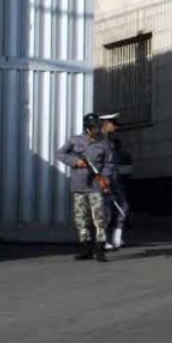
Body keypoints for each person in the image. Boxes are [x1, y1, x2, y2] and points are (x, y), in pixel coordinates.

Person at [57, 112, 111, 262]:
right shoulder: (75, 140)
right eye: (94, 127)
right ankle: (85, 248)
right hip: (79, 185)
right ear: (87, 128)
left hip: (95, 186)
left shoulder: (104, 143)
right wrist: (75, 161)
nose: (97, 130)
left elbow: (108, 164)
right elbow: (60, 154)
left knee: (99, 218)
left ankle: (100, 248)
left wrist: (105, 178)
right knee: (81, 218)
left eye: (98, 127)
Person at [98, 114, 131, 251]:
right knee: (105, 211)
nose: (115, 127)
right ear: (105, 123)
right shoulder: (97, 140)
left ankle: (117, 237)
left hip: (115, 178)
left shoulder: (110, 141)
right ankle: (103, 239)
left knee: (123, 206)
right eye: (113, 124)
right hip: (103, 178)